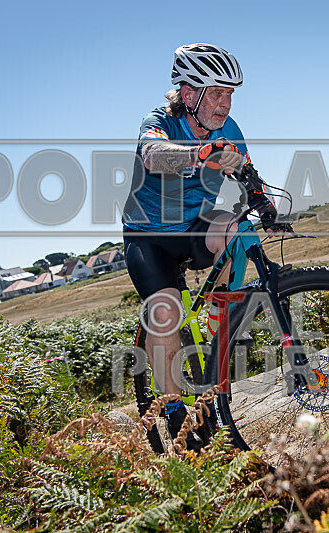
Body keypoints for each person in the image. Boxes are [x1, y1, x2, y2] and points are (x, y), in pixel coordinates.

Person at [121, 43, 271, 449]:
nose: (225, 103)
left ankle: (218, 312)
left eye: (230, 94)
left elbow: (245, 171)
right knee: (166, 311)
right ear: (189, 95)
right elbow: (151, 155)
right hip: (149, 236)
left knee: (233, 220)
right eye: (217, 93)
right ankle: (171, 407)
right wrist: (199, 153)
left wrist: (261, 198)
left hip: (194, 226)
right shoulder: (160, 121)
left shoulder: (231, 129)